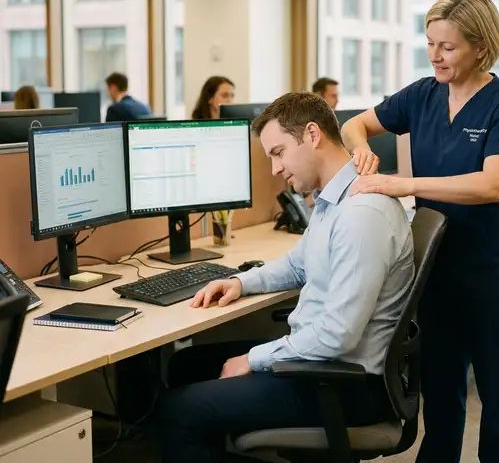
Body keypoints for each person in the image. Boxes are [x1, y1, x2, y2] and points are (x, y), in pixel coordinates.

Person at [160, 92, 414, 463]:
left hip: (345, 384)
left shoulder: (363, 213)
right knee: (185, 365)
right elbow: (299, 264)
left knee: (181, 411)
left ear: (312, 135)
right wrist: (241, 283)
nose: (275, 169)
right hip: (324, 366)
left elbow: (337, 335)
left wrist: (253, 358)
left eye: (278, 153)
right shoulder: (335, 199)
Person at [341, 0, 499, 463]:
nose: (435, 55)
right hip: (437, 273)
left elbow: (491, 185)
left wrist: (400, 184)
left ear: (481, 48)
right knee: (441, 398)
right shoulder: (422, 95)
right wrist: (360, 148)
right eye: (430, 43)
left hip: (493, 273)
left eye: (447, 47)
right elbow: (352, 124)